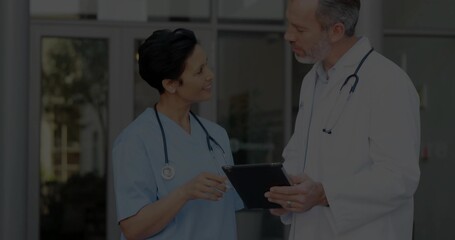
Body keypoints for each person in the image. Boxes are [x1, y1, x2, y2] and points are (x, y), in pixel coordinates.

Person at [264, 0, 421, 239]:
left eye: (300, 29)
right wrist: (288, 194)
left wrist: (325, 194)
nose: (288, 36)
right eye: (289, 25)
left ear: (336, 30)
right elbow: (299, 155)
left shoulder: (388, 82)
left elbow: (398, 178)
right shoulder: (312, 82)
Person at [112, 28, 242, 240]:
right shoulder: (134, 141)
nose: (210, 75)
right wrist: (184, 193)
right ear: (170, 84)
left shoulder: (217, 136)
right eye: (199, 71)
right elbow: (132, 228)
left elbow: (232, 205)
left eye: (207, 64)